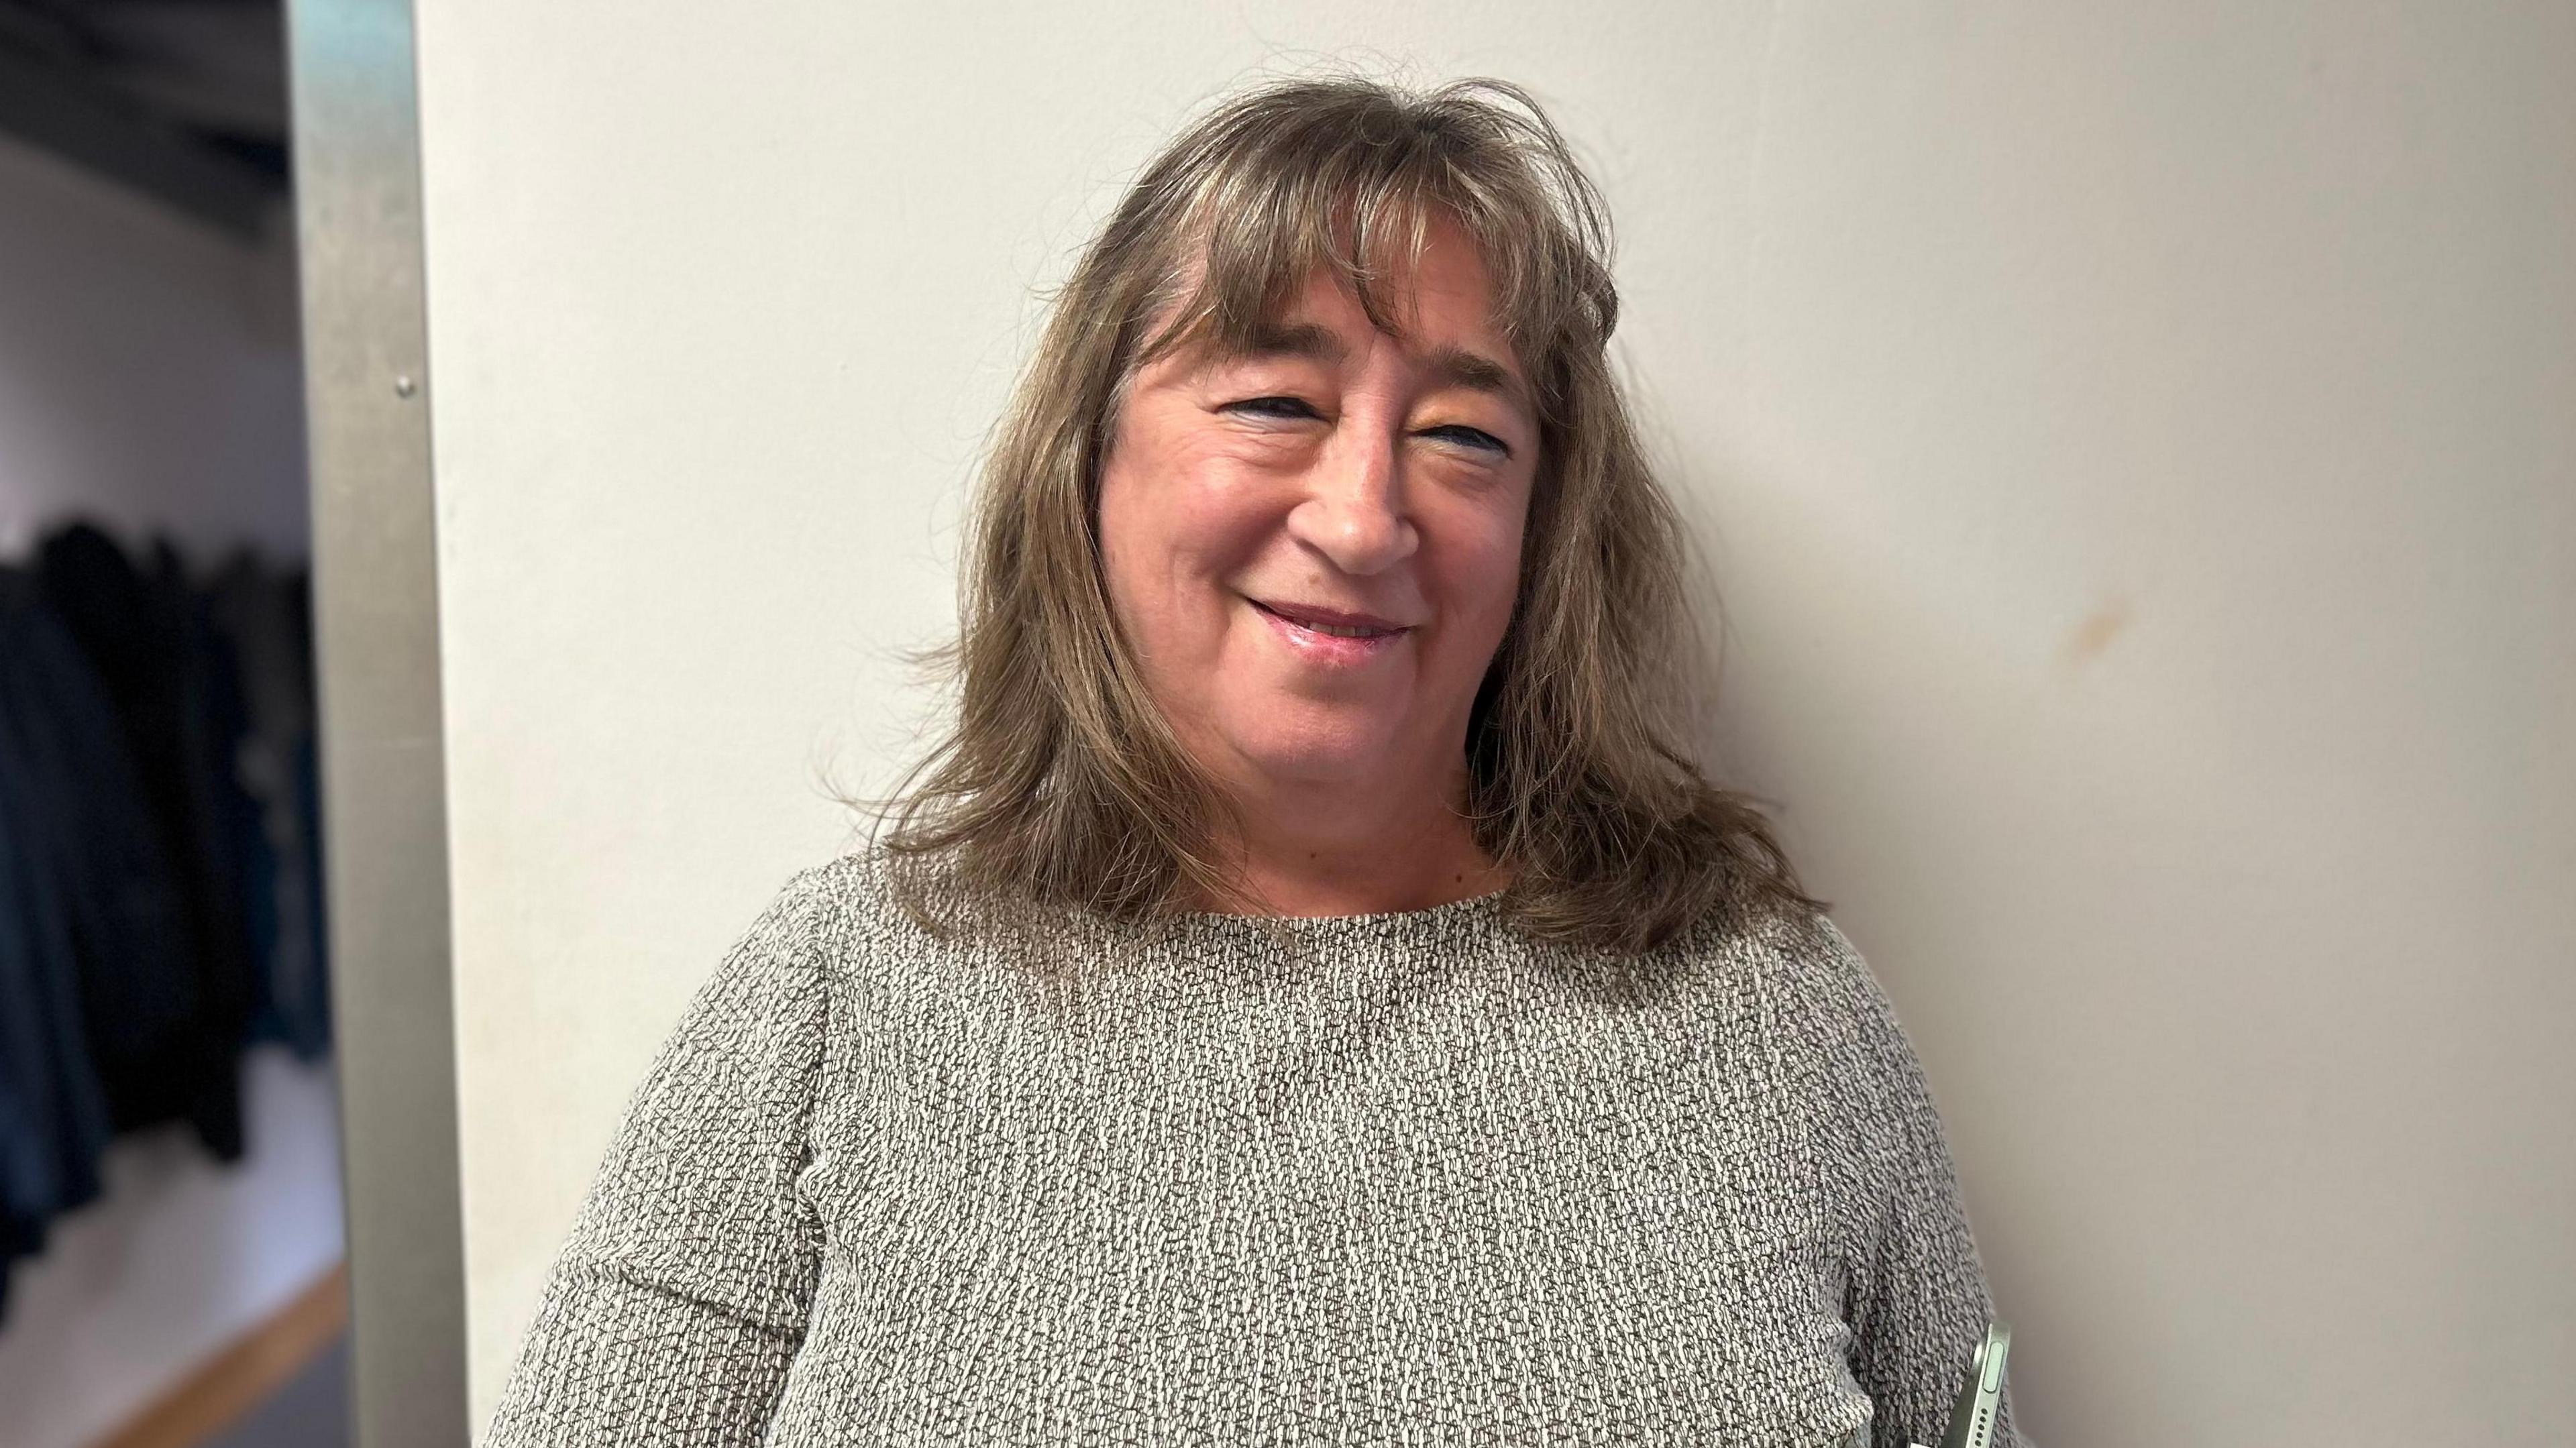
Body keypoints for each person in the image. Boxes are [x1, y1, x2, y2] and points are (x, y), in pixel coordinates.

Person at [483, 73, 2029, 1447]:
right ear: (1090, 469)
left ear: (1543, 534)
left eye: (1465, 438)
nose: (1364, 519)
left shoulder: (1772, 1015)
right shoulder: (843, 999)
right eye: (1275, 404)